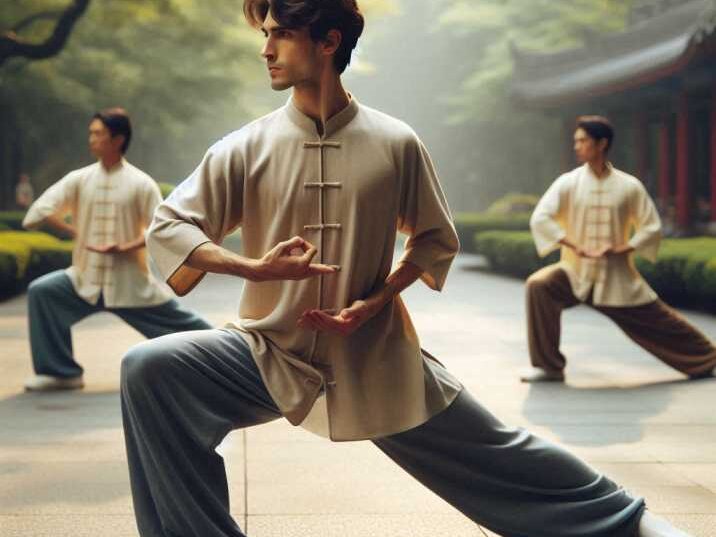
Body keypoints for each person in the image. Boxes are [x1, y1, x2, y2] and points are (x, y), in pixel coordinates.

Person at [120, 3, 691, 536]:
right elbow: (170, 227)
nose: (265, 49)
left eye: (280, 35)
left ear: (328, 42)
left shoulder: (395, 142)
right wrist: (253, 269)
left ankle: (627, 522)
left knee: (497, 451)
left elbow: (433, 239)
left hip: (375, 350)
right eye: (264, 35)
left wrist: (377, 298)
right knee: (151, 370)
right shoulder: (244, 147)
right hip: (268, 349)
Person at [22, 107, 211, 392]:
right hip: (84, 278)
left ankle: (230, 356)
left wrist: (124, 247)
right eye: (91, 133)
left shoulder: (140, 183)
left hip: (130, 282)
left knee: (194, 330)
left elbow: (160, 229)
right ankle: (61, 373)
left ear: (118, 139)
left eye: (98, 134)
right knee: (42, 292)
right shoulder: (79, 179)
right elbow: (37, 212)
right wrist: (77, 233)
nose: (92, 139)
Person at [522, 115, 716, 383]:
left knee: (660, 322)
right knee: (539, 285)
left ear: (601, 144)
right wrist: (575, 246)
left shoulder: (629, 186)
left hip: (616, 276)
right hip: (575, 272)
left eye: (582, 141)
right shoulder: (568, 182)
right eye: (575, 141)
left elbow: (651, 227)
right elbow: (541, 217)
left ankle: (707, 357)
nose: (576, 146)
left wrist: (623, 248)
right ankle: (549, 366)